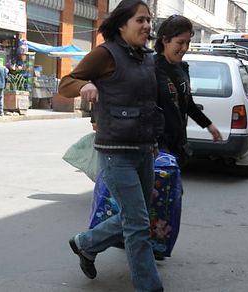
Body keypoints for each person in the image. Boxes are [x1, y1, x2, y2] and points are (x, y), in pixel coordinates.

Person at [58, 1, 164, 291]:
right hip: (116, 153)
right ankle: (149, 287)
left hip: (144, 150)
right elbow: (66, 82)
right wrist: (83, 86)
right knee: (139, 224)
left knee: (132, 217)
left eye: (149, 21)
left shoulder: (146, 57)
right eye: (140, 20)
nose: (146, 26)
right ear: (122, 25)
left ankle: (85, 243)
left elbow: (149, 103)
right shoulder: (106, 54)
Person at [154, 15, 222, 166]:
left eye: (187, 43)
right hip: (158, 147)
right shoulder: (151, 68)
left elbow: (188, 104)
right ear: (165, 40)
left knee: (175, 189)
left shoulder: (183, 68)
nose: (184, 48)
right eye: (180, 42)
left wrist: (209, 125)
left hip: (178, 144)